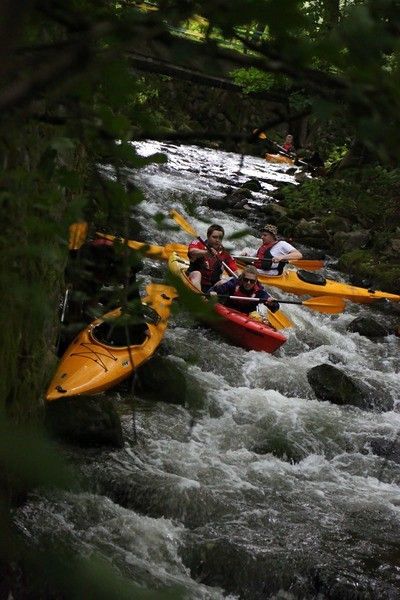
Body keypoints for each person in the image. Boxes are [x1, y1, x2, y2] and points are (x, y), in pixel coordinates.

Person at [209, 265, 280, 315]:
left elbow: (275, 308)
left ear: (255, 281)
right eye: (246, 280)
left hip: (246, 315)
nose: (248, 283)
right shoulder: (234, 283)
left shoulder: (259, 291)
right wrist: (213, 293)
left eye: (252, 281)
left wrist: (272, 303)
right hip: (229, 309)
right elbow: (214, 290)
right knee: (221, 283)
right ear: (242, 279)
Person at [187, 224, 238, 292]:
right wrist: (206, 253)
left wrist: (243, 280)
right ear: (208, 236)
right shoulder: (198, 244)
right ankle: (199, 297)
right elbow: (192, 252)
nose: (217, 240)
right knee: (197, 274)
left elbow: (235, 273)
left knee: (226, 282)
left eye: (220, 238)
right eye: (214, 237)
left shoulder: (225, 253)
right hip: (194, 279)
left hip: (212, 287)